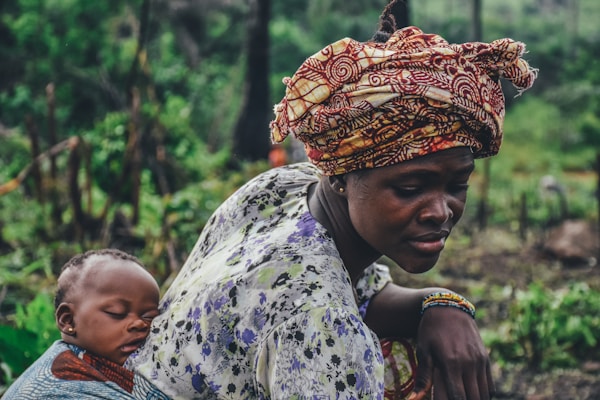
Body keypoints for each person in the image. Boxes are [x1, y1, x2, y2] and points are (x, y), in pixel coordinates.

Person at [128, 1, 537, 399]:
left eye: (457, 184)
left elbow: (363, 291)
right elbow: (325, 303)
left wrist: (442, 304)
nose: (439, 211)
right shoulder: (319, 326)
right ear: (341, 176)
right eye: (410, 189)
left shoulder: (283, 189)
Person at [2, 249, 169, 399]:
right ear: (68, 320)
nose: (139, 323)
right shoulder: (56, 391)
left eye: (149, 316)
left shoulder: (97, 365)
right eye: (117, 312)